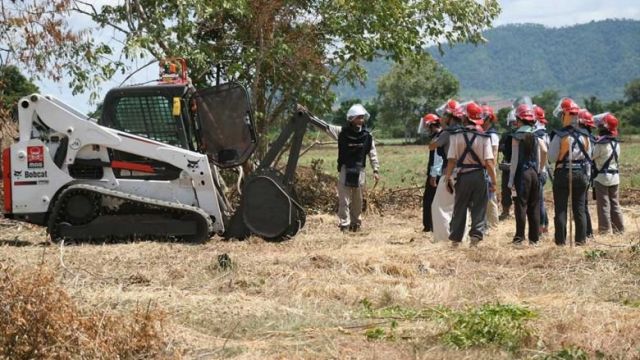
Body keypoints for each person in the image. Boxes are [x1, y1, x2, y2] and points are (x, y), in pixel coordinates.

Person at [443, 102, 497, 247]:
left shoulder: (456, 137)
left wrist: (448, 178)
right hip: (480, 176)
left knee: (459, 207)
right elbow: (490, 162)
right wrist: (494, 181)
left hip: (462, 176)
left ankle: (456, 240)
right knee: (479, 207)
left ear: (465, 118)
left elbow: (451, 161)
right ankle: (475, 238)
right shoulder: (484, 138)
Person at [324, 104, 381, 232]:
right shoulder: (341, 132)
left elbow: (373, 153)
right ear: (351, 119)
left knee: (357, 200)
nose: (361, 120)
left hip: (360, 170)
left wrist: (376, 170)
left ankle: (356, 223)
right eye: (358, 117)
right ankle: (344, 224)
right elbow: (326, 127)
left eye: (362, 117)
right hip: (345, 169)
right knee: (343, 199)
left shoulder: (367, 136)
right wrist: (309, 116)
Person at [548, 98, 592, 246]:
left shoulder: (559, 135)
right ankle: (581, 241)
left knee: (561, 209)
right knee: (579, 209)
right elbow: (589, 158)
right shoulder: (586, 134)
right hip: (581, 174)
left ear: (565, 115)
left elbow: (552, 158)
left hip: (563, 173)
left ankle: (561, 243)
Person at [507, 103, 547, 245]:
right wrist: (541, 169)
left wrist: (510, 180)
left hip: (522, 175)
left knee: (521, 206)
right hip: (534, 174)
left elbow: (515, 160)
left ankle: (519, 238)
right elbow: (544, 151)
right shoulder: (537, 134)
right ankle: (534, 239)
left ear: (519, 119)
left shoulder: (516, 136)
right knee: (534, 206)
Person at [429, 100, 465, 242]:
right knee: (461, 206)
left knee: (439, 206)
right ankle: (463, 237)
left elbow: (432, 146)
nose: (442, 118)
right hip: (465, 173)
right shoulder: (465, 132)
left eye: (445, 115)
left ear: (450, 117)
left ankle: (443, 238)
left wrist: (442, 129)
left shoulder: (446, 133)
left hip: (448, 173)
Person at [592, 112, 625, 234]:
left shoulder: (600, 145)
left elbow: (591, 156)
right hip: (615, 177)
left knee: (604, 205)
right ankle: (619, 229)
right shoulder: (616, 143)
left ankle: (605, 231)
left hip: (602, 177)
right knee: (615, 204)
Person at [422, 114, 443, 232]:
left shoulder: (437, 138)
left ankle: (429, 226)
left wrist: (433, 175)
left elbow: (437, 159)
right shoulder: (442, 135)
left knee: (429, 200)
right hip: (441, 173)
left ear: (431, 125)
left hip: (435, 174)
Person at [578, 109, 596, 238]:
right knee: (583, 204)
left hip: (584, 173)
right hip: (589, 174)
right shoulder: (592, 137)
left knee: (581, 205)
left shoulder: (583, 137)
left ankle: (587, 232)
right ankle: (588, 232)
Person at [482, 105, 500, 230]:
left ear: (488, 119)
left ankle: (494, 225)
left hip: (489, 169)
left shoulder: (492, 135)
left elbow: (493, 155)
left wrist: (491, 171)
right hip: (483, 169)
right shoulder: (483, 133)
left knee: (490, 199)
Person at [533, 105, 550, 235]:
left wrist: (539, 169)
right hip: (544, 170)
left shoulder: (536, 135)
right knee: (541, 199)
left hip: (539, 170)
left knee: (538, 201)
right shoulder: (545, 134)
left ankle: (541, 226)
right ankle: (545, 225)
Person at [498, 112, 517, 220]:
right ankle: (519, 211)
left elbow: (500, 148)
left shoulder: (506, 135)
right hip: (520, 165)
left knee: (506, 189)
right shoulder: (525, 133)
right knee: (518, 189)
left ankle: (506, 212)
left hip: (508, 165)